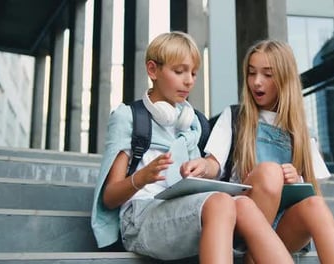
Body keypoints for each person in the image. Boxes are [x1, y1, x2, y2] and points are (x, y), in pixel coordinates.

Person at [91, 32, 294, 264]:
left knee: (245, 204)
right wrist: (141, 178)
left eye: (193, 73)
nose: (189, 81)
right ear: (152, 70)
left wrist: (199, 171)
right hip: (139, 216)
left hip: (183, 209)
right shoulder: (128, 117)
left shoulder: (194, 122)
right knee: (220, 203)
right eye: (179, 71)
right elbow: (109, 198)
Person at [182, 39, 334, 263]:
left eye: (267, 74)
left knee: (316, 205)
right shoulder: (234, 117)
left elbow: (312, 189)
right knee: (271, 173)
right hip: (242, 221)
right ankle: (253, 254)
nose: (257, 82)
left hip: (283, 229)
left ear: (284, 79)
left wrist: (297, 178)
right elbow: (214, 163)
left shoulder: (301, 132)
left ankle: (257, 257)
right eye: (252, 73)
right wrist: (203, 166)